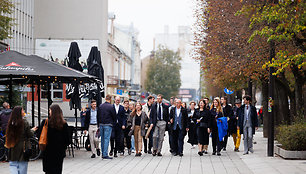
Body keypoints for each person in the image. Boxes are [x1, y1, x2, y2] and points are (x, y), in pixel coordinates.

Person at [38, 104, 69, 174]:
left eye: (50, 110)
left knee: (48, 171)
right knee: (57, 170)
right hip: (59, 152)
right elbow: (67, 139)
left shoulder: (45, 123)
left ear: (52, 111)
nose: (49, 111)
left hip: (47, 151)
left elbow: (40, 135)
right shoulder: (63, 124)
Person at [5, 106, 37, 174]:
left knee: (13, 165)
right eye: (22, 110)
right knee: (22, 167)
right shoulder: (24, 122)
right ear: (19, 112)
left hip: (12, 146)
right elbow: (29, 134)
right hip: (23, 147)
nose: (24, 112)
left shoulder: (11, 122)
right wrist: (33, 130)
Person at [98, 94, 116, 160]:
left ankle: (103, 153)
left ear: (105, 98)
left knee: (102, 139)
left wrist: (98, 123)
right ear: (110, 99)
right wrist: (113, 123)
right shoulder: (111, 107)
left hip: (101, 124)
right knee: (106, 139)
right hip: (108, 124)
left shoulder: (101, 106)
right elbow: (114, 116)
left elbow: (98, 115)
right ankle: (105, 154)